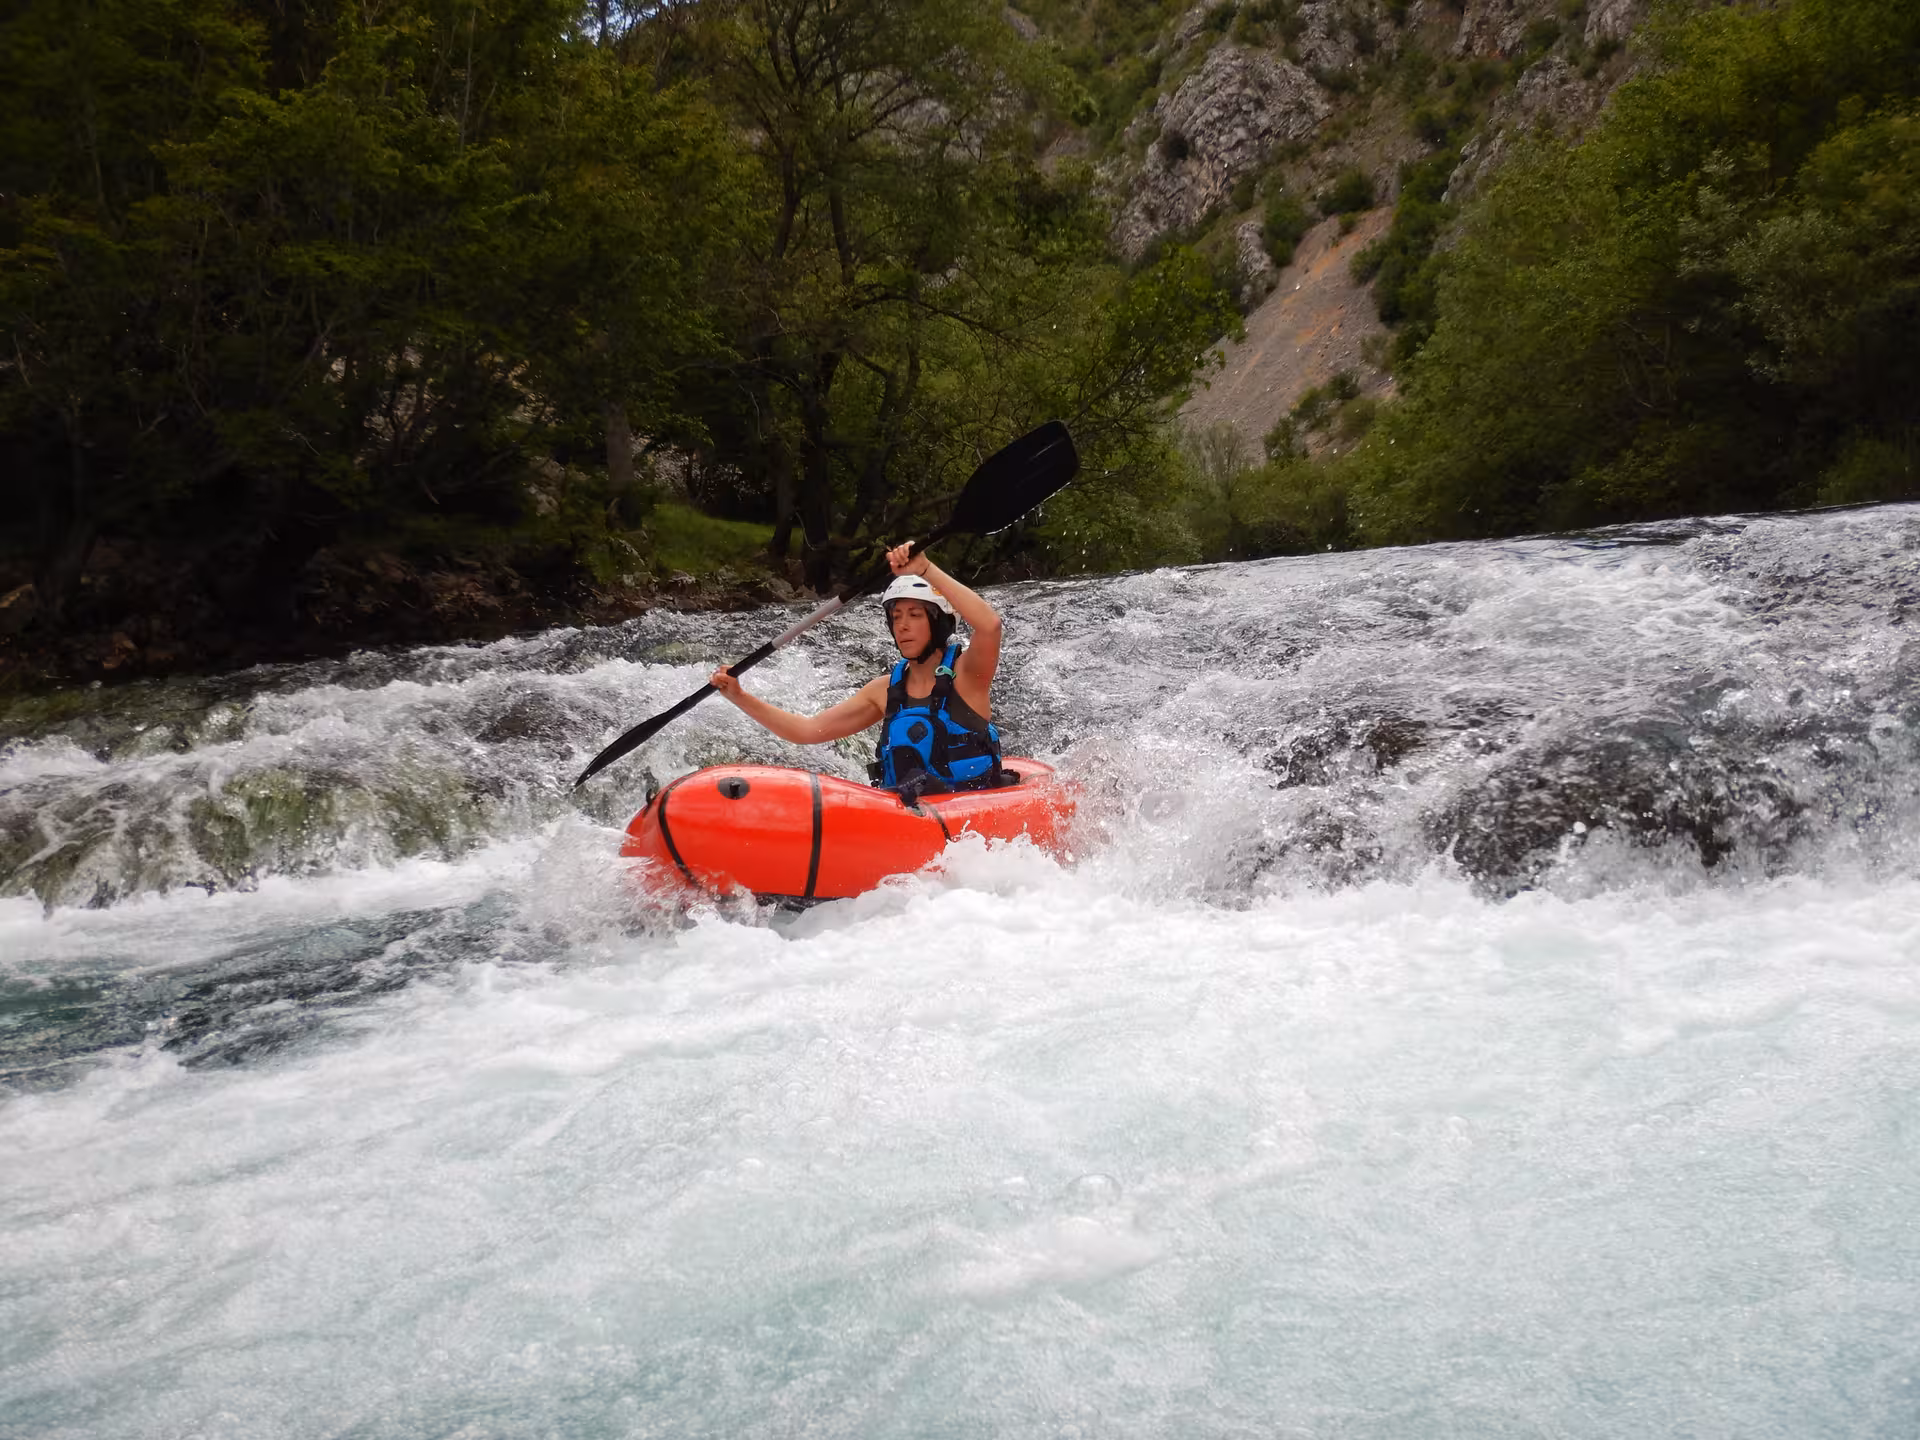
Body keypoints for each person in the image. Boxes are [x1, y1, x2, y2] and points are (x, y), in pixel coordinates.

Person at [709, 542, 1006, 794]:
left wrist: (926, 569)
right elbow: (806, 731)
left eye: (915, 615)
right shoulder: (883, 691)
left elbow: (990, 626)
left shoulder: (967, 677)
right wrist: (739, 696)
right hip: (906, 816)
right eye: (896, 617)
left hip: (967, 815)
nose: (902, 626)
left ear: (939, 622)